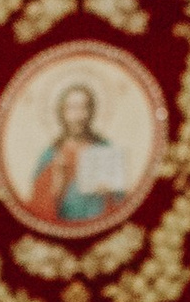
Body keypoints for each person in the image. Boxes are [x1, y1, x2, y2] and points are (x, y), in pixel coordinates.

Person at [26, 75, 130, 225]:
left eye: (84, 107)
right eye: (72, 108)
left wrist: (110, 193)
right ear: (62, 112)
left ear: (91, 111)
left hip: (102, 227)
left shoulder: (104, 148)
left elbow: (122, 202)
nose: (79, 115)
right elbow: (36, 209)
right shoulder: (51, 154)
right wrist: (57, 188)